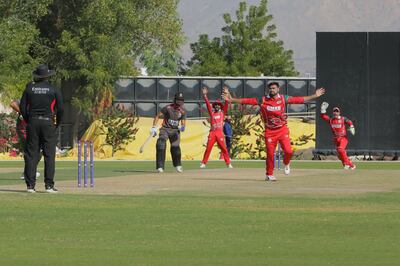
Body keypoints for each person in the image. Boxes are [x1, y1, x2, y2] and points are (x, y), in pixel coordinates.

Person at [223, 82, 325, 181]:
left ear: (278, 89)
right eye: (270, 88)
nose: (272, 90)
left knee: (289, 151)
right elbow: (247, 101)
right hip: (270, 131)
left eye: (274, 88)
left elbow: (300, 100)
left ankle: (286, 163)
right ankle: (269, 174)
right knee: (271, 154)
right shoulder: (263, 100)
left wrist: (314, 95)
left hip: (282, 129)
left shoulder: (283, 98)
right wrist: (231, 99)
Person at [20, 64, 64, 193]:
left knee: (31, 154)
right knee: (49, 155)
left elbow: (23, 108)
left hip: (33, 122)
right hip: (48, 123)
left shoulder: (29, 89)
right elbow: (60, 109)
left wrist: (29, 120)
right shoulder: (54, 90)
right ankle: (49, 186)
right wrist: (57, 123)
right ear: (48, 76)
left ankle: (30, 186)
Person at [151, 92, 186, 173]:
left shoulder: (183, 111)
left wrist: (182, 128)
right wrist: (153, 127)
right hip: (165, 129)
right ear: (174, 100)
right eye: (178, 100)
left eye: (181, 101)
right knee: (161, 143)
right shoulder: (167, 108)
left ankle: (178, 165)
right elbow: (158, 116)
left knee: (175, 147)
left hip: (175, 131)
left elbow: (183, 124)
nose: (179, 102)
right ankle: (160, 167)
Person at [200, 86, 232, 169]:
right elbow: (207, 105)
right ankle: (203, 163)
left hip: (220, 133)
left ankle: (228, 163)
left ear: (220, 107)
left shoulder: (222, 113)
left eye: (218, 105)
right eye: (216, 105)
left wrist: (226, 94)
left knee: (224, 148)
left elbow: (227, 104)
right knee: (208, 148)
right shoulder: (212, 113)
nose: (217, 106)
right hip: (212, 133)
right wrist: (205, 96)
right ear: (214, 107)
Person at [10, 100, 41, 180]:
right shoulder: (26, 99)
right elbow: (13, 103)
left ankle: (29, 171)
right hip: (24, 130)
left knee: (38, 152)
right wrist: (23, 112)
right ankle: (28, 172)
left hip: (34, 129)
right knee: (30, 150)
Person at [320, 102, 356, 169]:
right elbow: (323, 116)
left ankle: (349, 165)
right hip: (336, 139)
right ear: (333, 113)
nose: (336, 113)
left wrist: (351, 126)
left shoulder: (342, 119)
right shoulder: (331, 119)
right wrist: (322, 110)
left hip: (343, 138)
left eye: (337, 111)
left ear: (339, 113)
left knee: (340, 149)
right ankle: (347, 165)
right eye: (334, 111)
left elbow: (349, 121)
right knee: (339, 155)